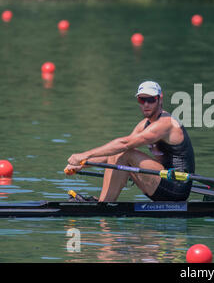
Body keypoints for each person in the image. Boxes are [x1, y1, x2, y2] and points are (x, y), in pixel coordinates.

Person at [64, 81, 195, 202]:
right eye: (142, 100)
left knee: (125, 152)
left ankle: (103, 205)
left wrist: (84, 155)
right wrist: (83, 164)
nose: (146, 104)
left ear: (160, 99)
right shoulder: (143, 125)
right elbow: (116, 154)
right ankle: (104, 203)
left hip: (177, 186)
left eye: (150, 99)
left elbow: (124, 144)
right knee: (121, 153)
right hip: (161, 182)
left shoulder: (166, 124)